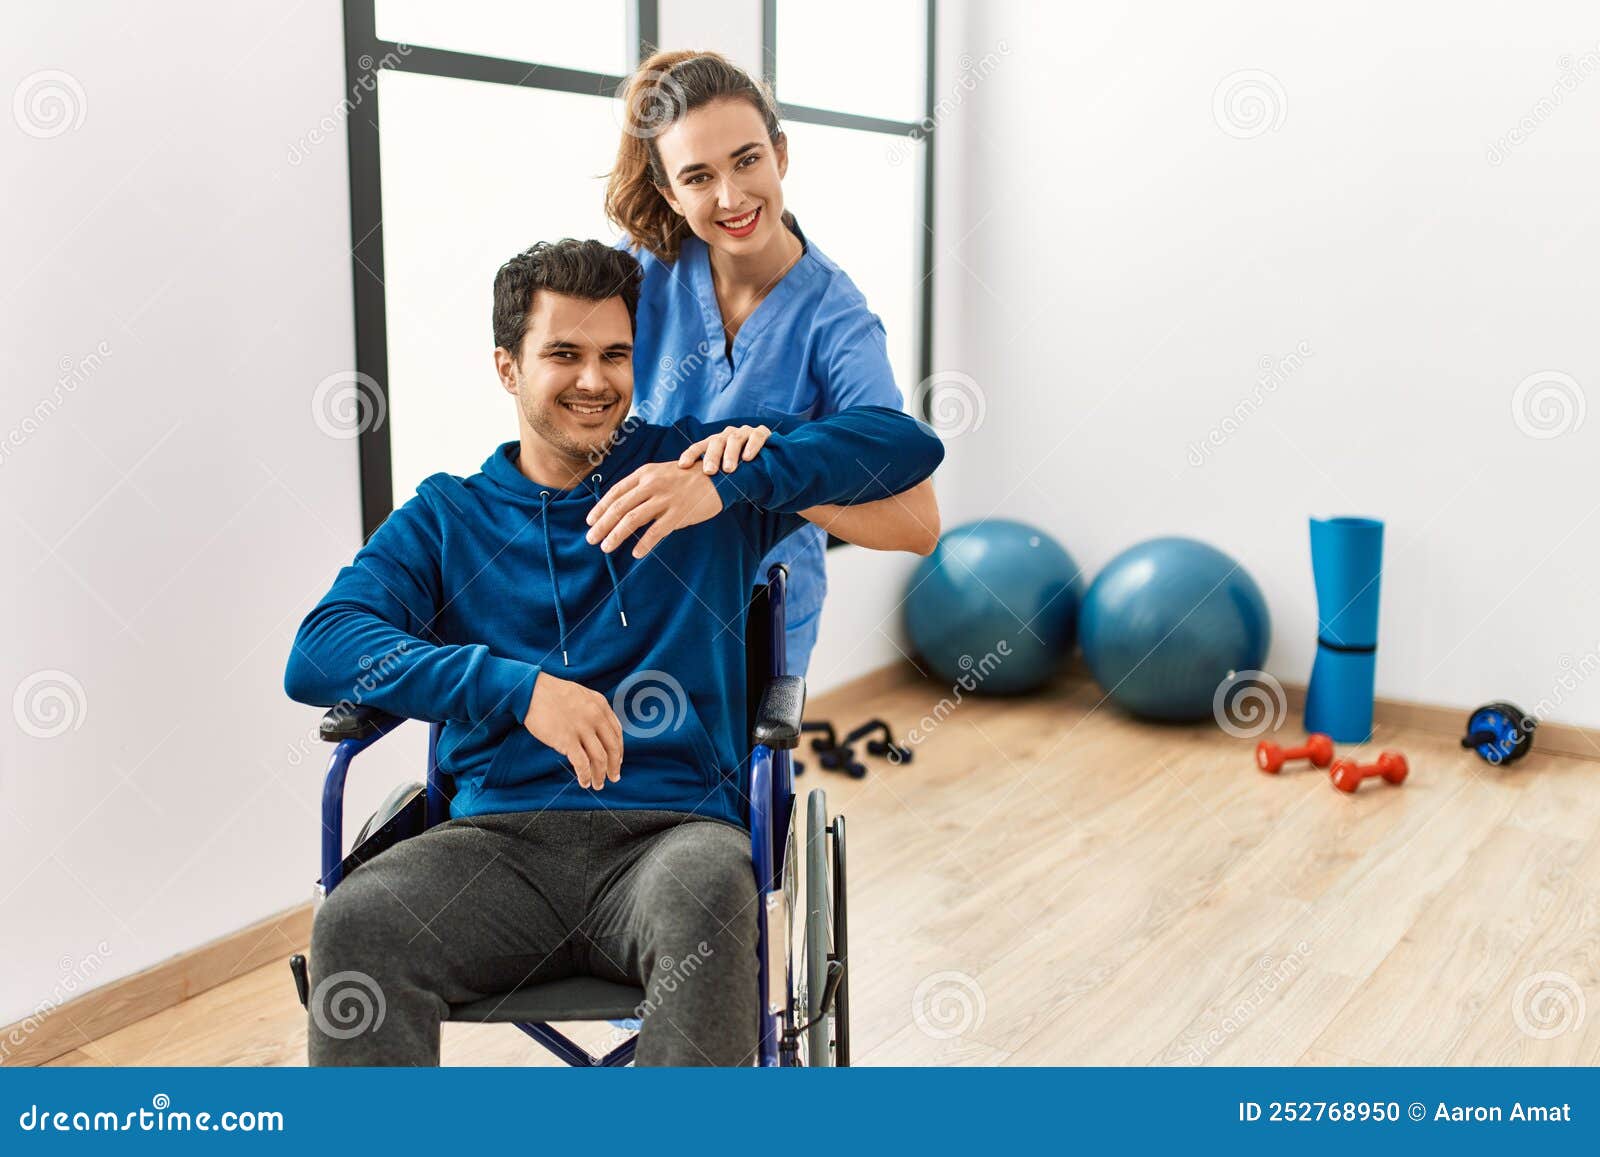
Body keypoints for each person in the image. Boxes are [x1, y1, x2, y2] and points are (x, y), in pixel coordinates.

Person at [284, 238, 943, 1066]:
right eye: (564, 354)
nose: (595, 381)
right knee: (358, 923)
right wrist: (515, 688)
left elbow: (907, 445)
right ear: (507, 367)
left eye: (615, 355)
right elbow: (320, 649)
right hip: (494, 849)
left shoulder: (698, 472)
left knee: (712, 899)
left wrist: (739, 479)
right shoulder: (448, 516)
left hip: (672, 838)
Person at [608, 50, 939, 677]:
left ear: (780, 154)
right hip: (643, 592)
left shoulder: (836, 320)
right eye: (698, 177)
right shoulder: (642, 271)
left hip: (758, 616)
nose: (731, 197)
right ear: (669, 194)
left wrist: (762, 475)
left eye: (747, 160)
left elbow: (917, 523)